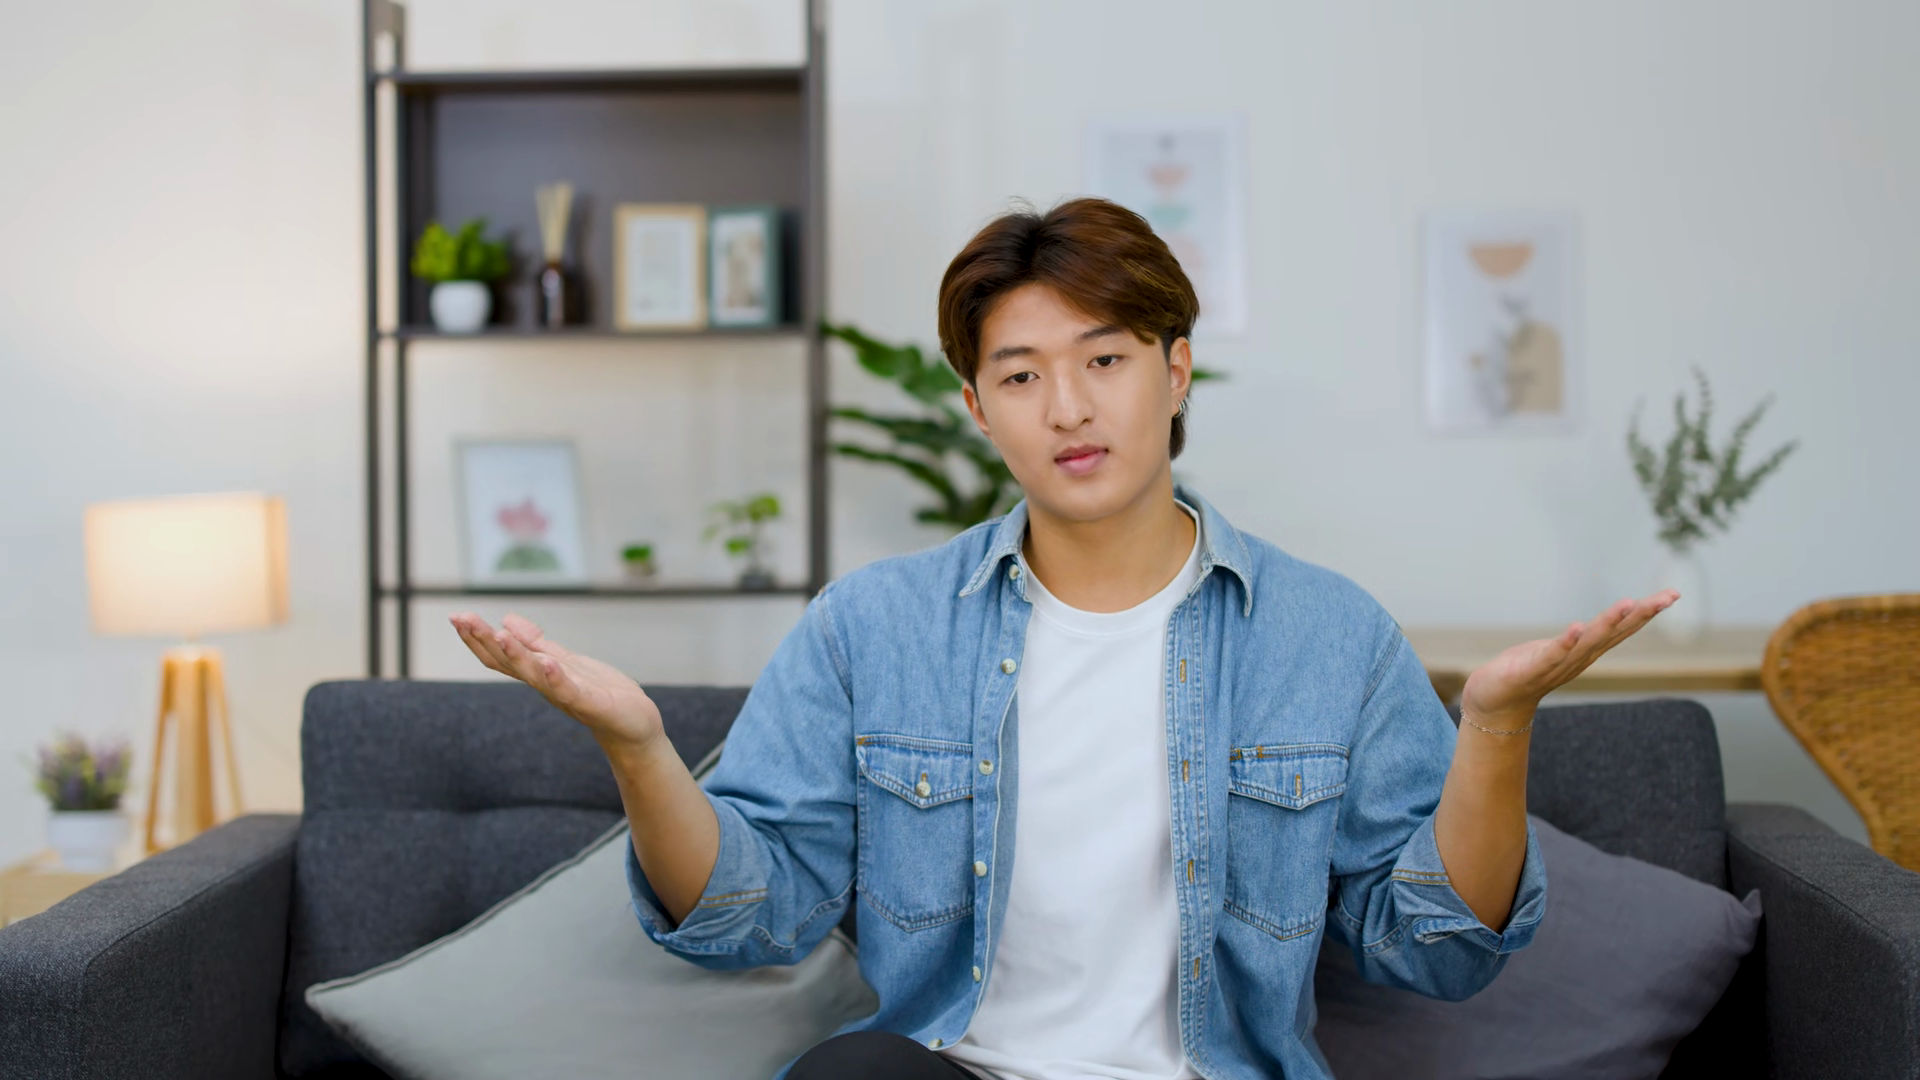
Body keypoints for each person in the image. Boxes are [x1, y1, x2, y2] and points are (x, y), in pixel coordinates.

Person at [450, 197, 1677, 1080]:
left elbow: (1439, 953)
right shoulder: (873, 626)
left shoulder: (1330, 634)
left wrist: (1495, 728)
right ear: (979, 409)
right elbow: (746, 919)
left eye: (1106, 359)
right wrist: (641, 750)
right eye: (1023, 375)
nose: (1071, 407)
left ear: (1176, 372)